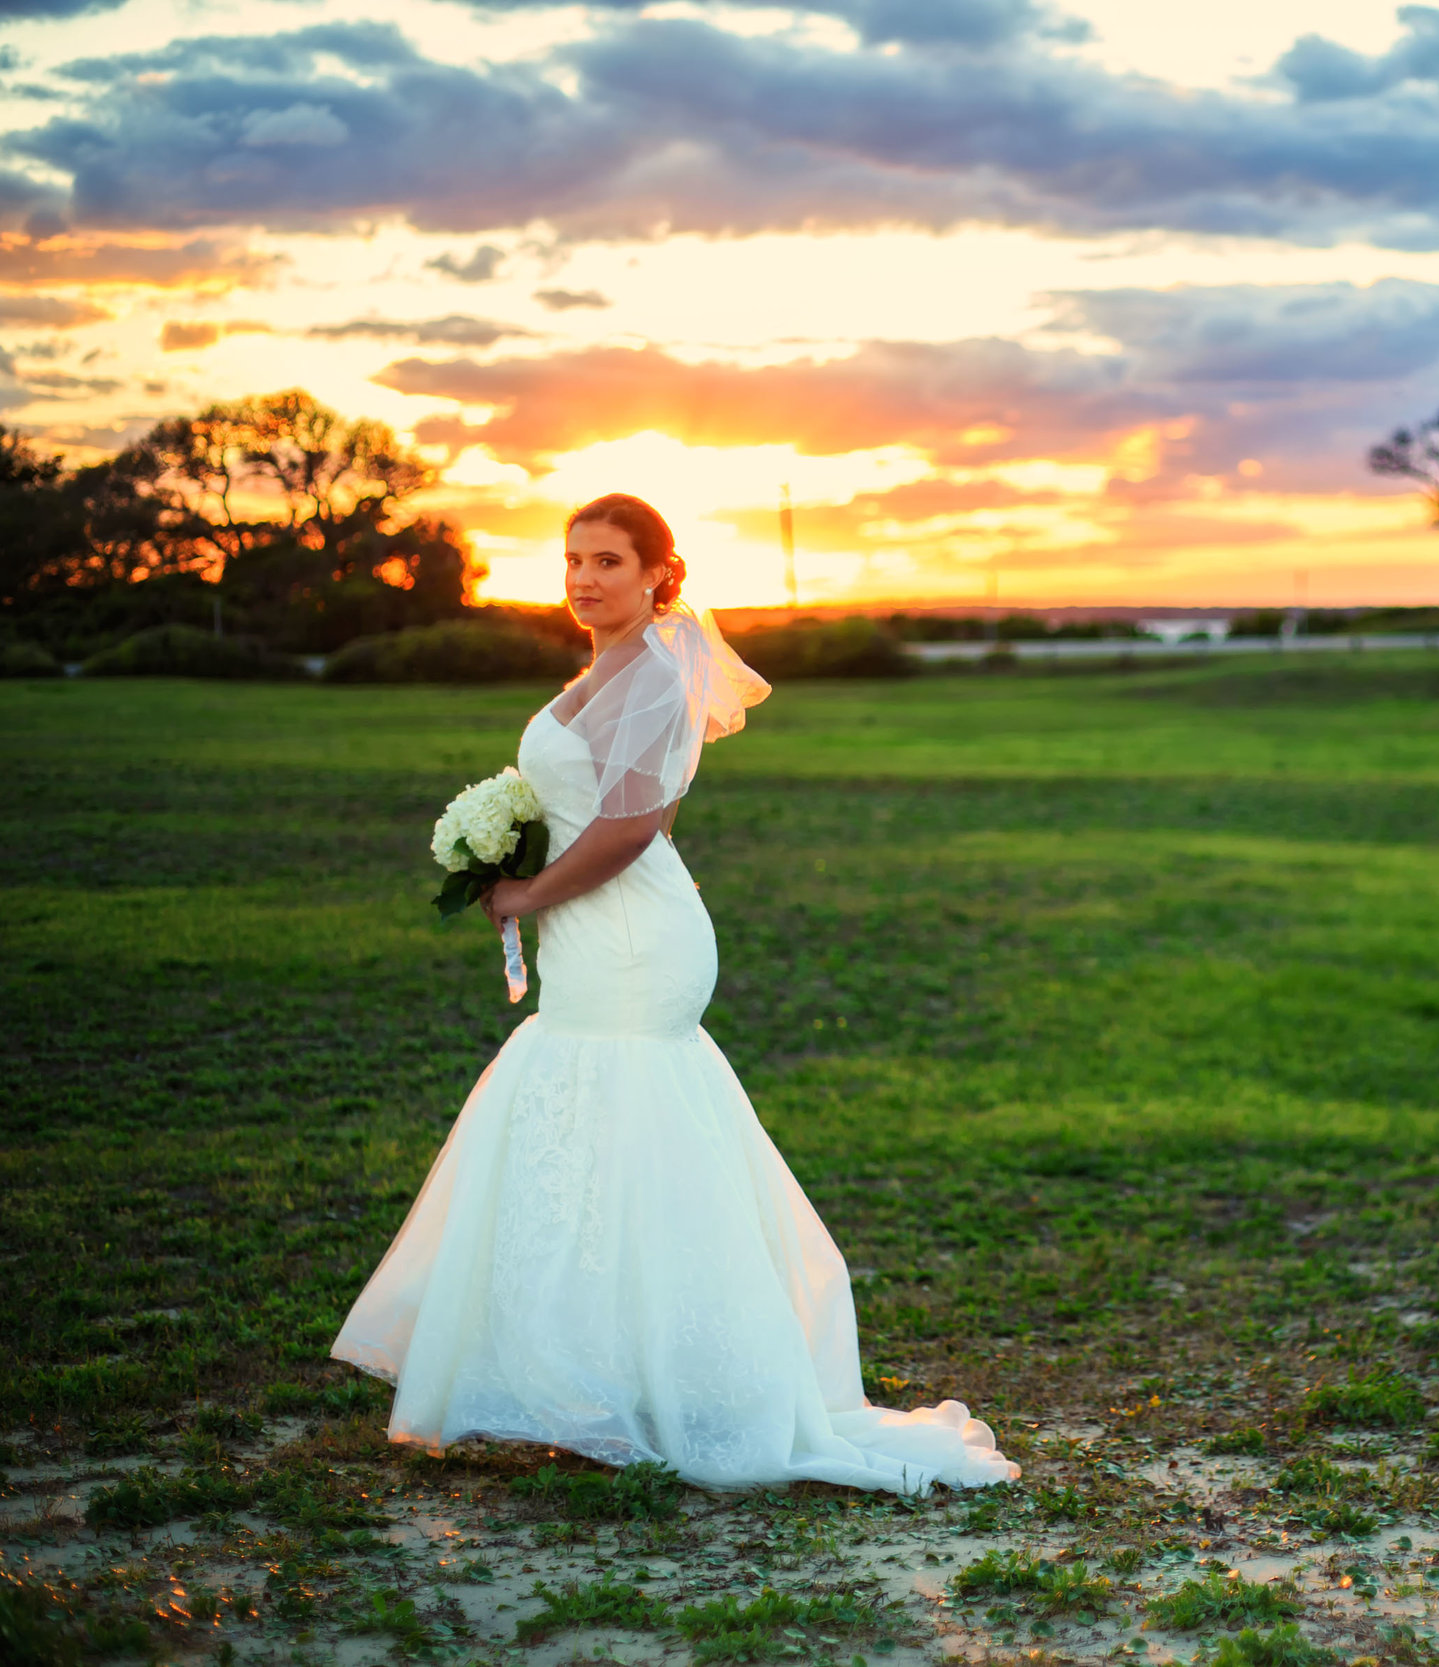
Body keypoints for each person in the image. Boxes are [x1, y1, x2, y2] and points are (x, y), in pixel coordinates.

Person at [332, 494, 1017, 1494]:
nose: (584, 576)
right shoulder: (603, 666)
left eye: (609, 559)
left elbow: (627, 828)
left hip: (633, 936)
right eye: (572, 558)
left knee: (624, 1125)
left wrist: (525, 887)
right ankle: (585, 1387)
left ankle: (632, 1395)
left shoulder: (659, 665)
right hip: (587, 932)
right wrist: (505, 845)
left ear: (659, 572)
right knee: (585, 1138)